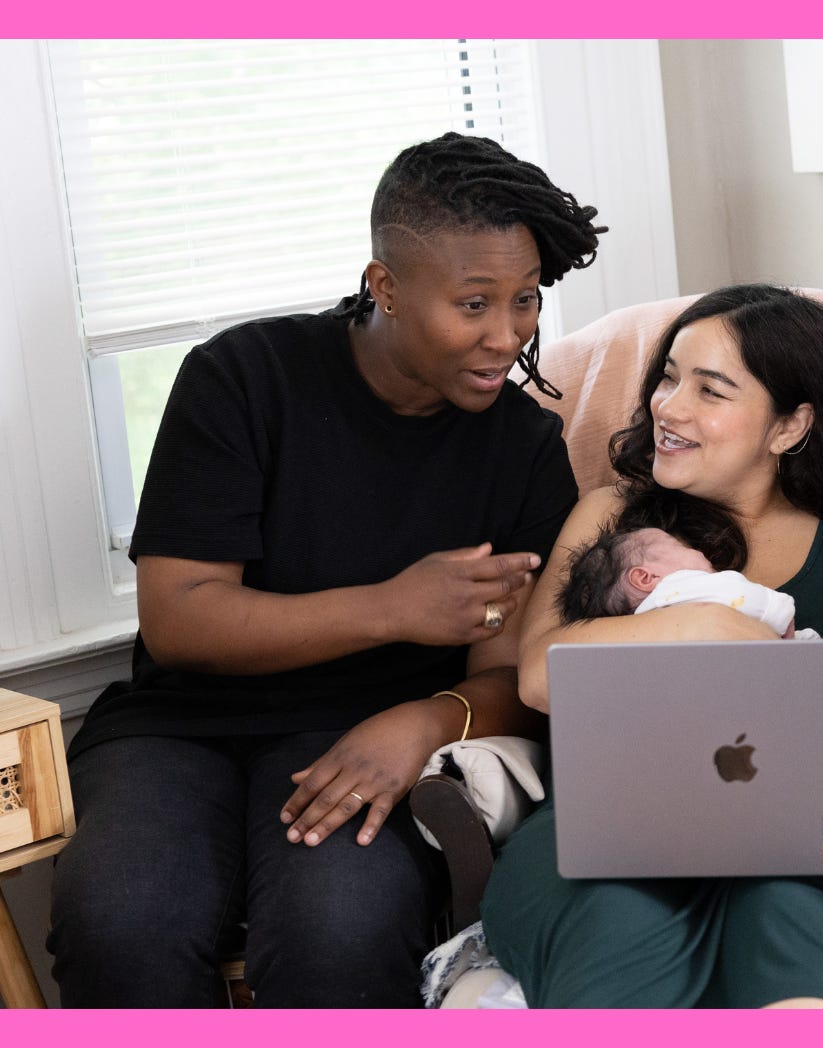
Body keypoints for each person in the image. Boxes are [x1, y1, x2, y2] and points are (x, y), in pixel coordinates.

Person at [47, 132, 605, 1007]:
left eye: (525, 301)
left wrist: (425, 722)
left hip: (370, 734)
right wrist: (393, 608)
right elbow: (180, 618)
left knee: (340, 932)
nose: (507, 336)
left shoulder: (522, 448)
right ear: (384, 285)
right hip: (179, 727)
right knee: (120, 922)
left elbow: (516, 676)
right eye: (473, 305)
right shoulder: (243, 378)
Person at [479, 283, 823, 1008]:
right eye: (669, 377)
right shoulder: (612, 515)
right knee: (610, 919)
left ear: (789, 425)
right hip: (620, 816)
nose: (668, 407)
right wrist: (701, 624)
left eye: (710, 390)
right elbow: (540, 677)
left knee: (791, 917)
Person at [558, 523, 813, 638]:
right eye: (677, 546)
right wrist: (780, 612)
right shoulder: (679, 589)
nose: (695, 550)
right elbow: (745, 597)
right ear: (645, 577)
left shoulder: (643, 628)